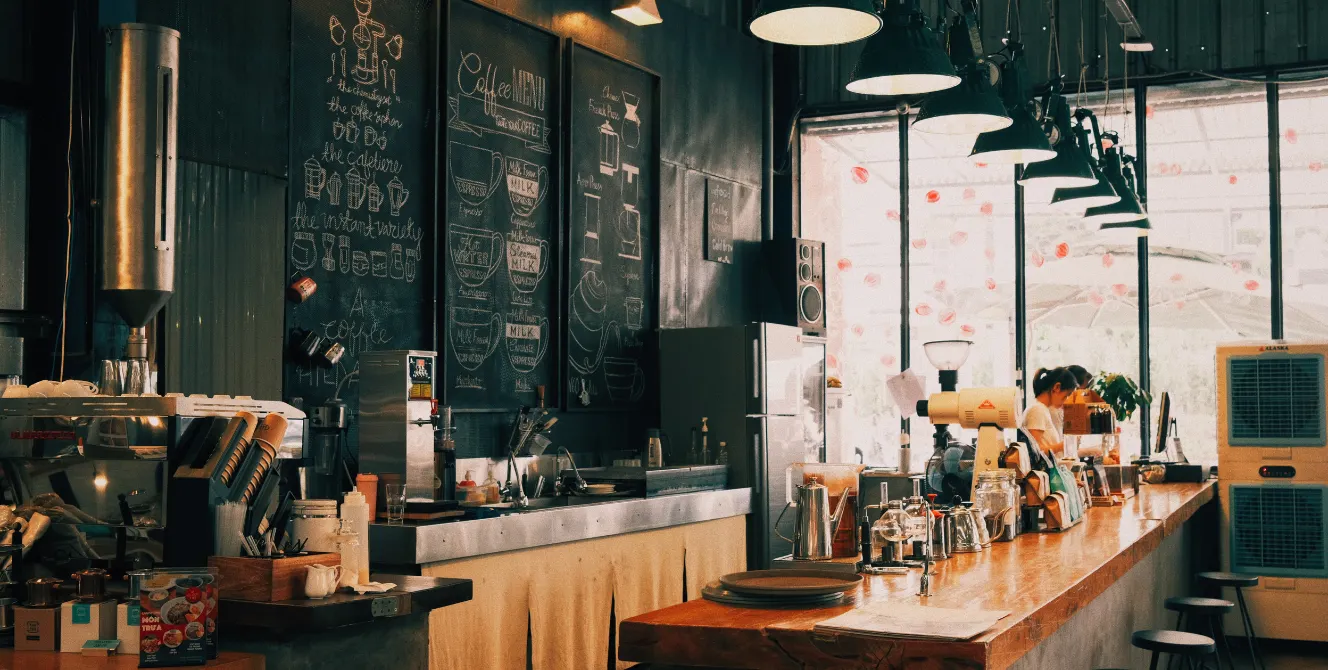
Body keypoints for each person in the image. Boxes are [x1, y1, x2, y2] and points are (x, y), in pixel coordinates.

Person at [1023, 367, 1079, 456]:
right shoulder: (1037, 410)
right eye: (1066, 396)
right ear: (1057, 387)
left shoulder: (1042, 409)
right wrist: (1063, 445)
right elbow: (1035, 452)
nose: (1066, 402)